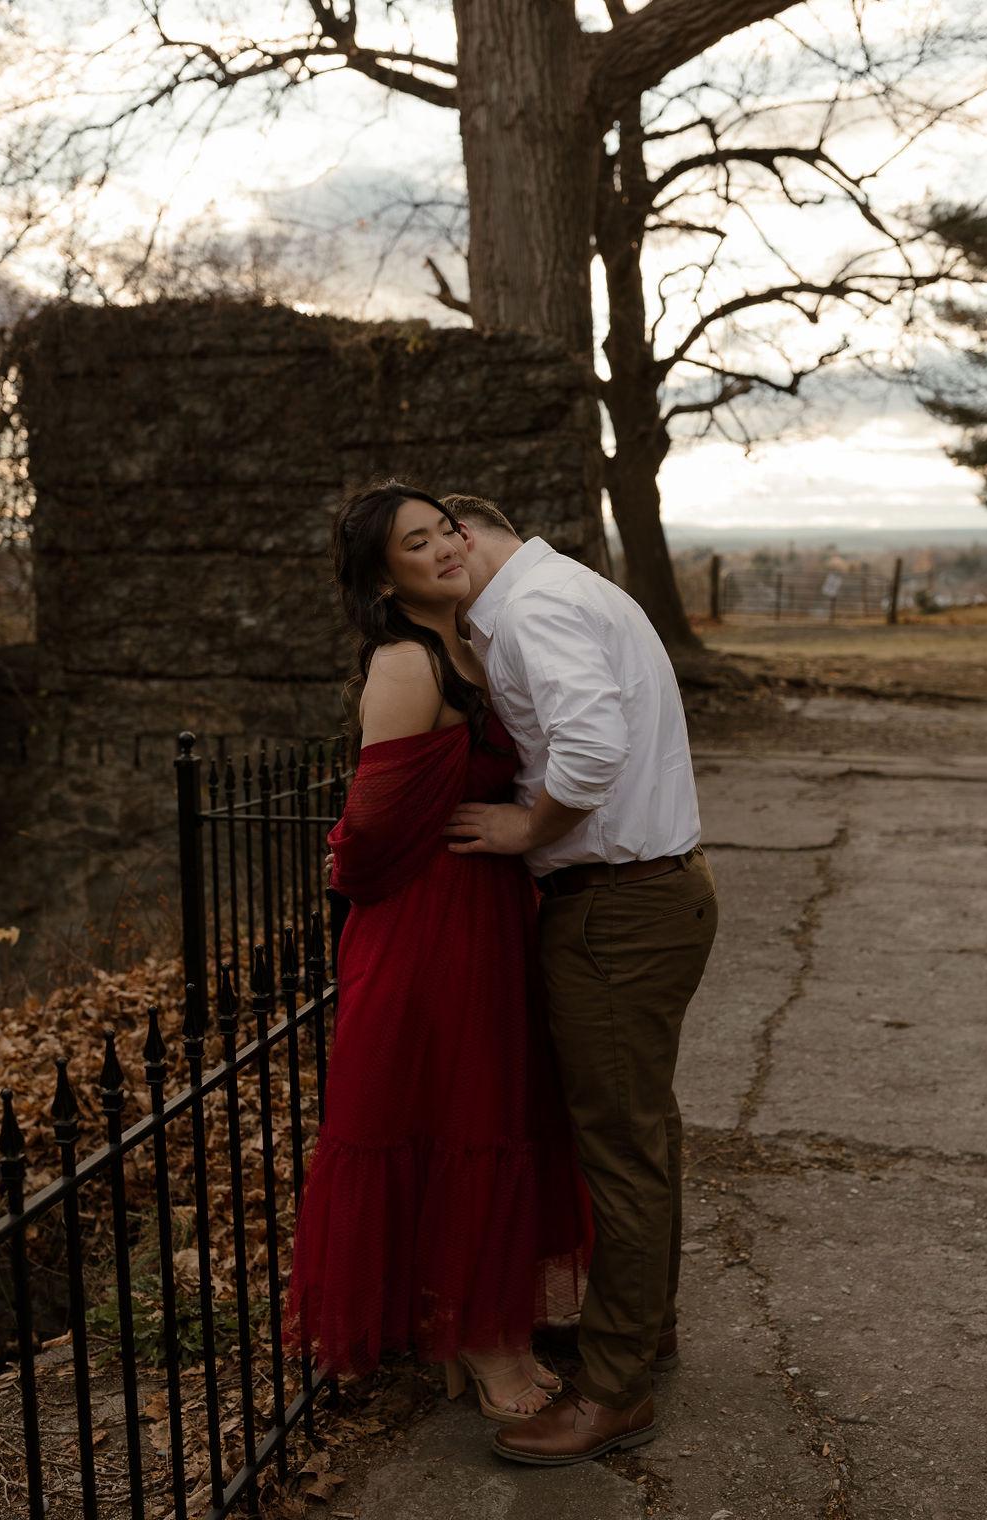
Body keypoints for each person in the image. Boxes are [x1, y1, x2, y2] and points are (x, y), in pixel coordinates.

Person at [283, 481, 591, 1422]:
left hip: (487, 909)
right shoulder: (410, 662)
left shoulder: (473, 639)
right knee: (461, 1116)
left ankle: (469, 1327)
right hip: (429, 923)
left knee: (492, 1108)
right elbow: (368, 827)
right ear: (385, 576)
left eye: (447, 528)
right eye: (419, 543)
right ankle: (487, 1346)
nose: (448, 547)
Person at [441, 494, 719, 1465]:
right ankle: (640, 1325)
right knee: (643, 1128)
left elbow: (591, 747)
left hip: (615, 909)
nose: (438, 567)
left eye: (441, 546)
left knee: (622, 1145)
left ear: (468, 534)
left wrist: (525, 826)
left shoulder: (531, 608)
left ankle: (612, 1387)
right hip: (650, 895)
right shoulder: (565, 589)